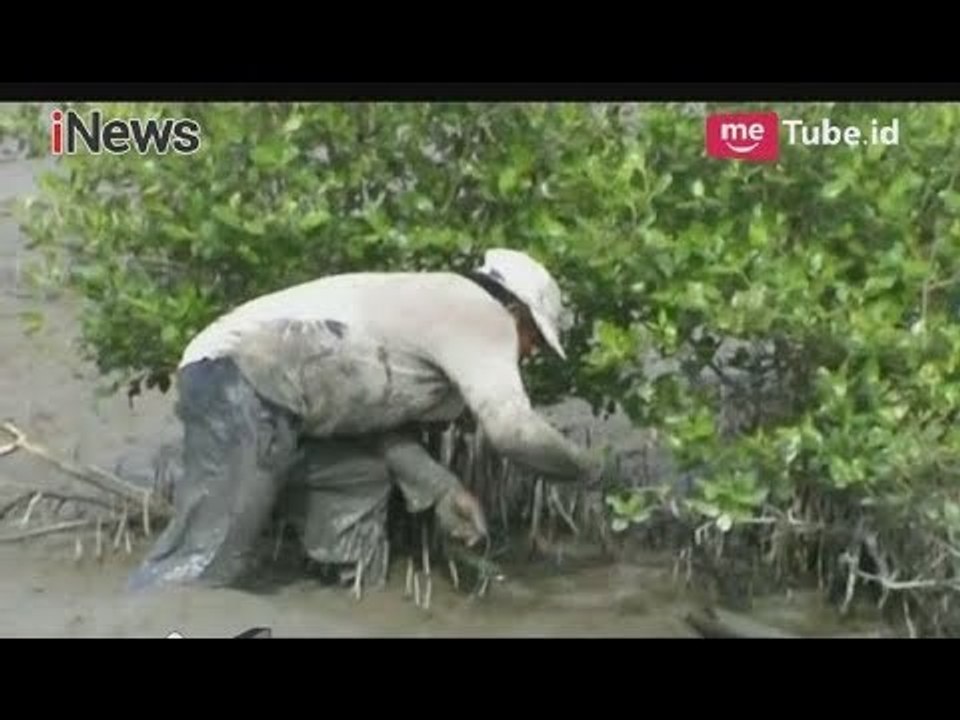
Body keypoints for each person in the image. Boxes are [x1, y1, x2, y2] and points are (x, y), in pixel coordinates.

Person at [127, 248, 599, 591]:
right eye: (534, 338)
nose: (532, 353)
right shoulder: (480, 313)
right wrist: (590, 473)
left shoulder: (436, 313)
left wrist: (440, 489)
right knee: (206, 559)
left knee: (361, 474)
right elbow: (513, 432)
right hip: (240, 377)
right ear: (514, 310)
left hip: (280, 401)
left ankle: (337, 595)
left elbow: (372, 425)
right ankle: (150, 617)